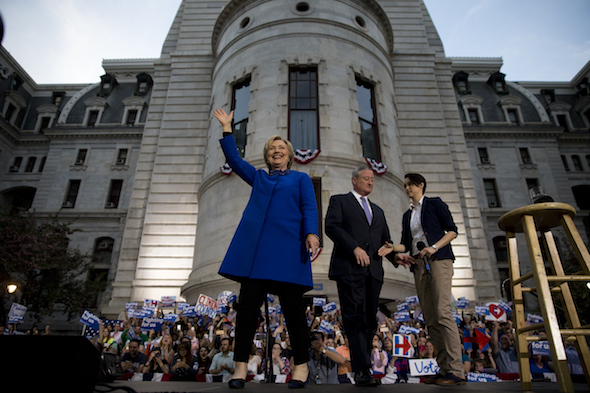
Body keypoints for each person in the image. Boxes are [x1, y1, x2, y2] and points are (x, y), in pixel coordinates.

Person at [212, 108, 320, 389]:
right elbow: (234, 160)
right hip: (257, 254)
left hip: (289, 252)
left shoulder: (300, 179)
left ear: (290, 154)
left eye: (281, 147)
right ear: (267, 154)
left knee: (294, 313)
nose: (276, 151)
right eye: (272, 148)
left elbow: (309, 207)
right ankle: (239, 369)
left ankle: (300, 368)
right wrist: (227, 127)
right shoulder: (259, 177)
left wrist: (311, 233)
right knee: (247, 312)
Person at [325, 166, 402, 387]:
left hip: (373, 272)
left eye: (372, 179)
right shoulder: (340, 201)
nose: (370, 182)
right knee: (355, 318)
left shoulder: (378, 210)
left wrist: (396, 258)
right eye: (366, 178)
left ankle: (364, 365)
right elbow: (332, 227)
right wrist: (354, 248)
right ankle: (361, 369)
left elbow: (384, 242)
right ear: (354, 181)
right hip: (350, 269)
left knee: (369, 321)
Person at [396, 173, 465, 385]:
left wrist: (433, 247)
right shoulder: (407, 215)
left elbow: (452, 231)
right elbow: (405, 244)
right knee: (430, 317)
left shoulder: (434, 204)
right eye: (405, 185)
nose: (407, 188)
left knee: (443, 312)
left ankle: (457, 370)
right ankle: (444, 369)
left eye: (410, 185)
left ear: (421, 185)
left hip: (439, 260)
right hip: (418, 265)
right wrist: (391, 249)